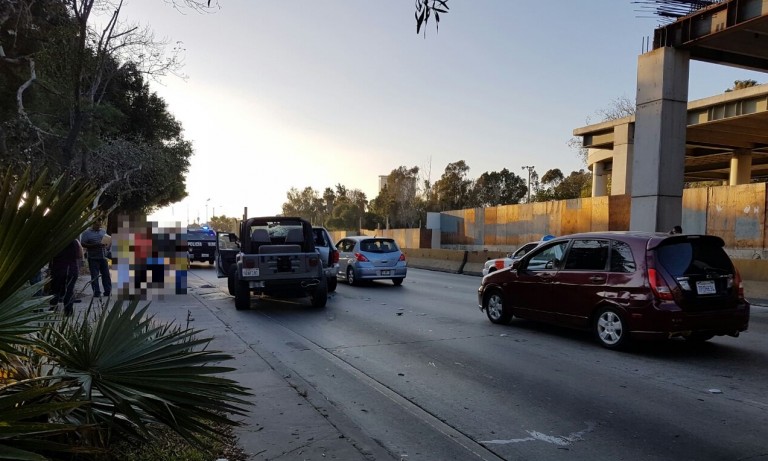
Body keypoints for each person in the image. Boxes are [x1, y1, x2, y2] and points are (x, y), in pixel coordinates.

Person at [49, 239, 83, 316]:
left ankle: (53, 308)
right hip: (72, 268)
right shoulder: (75, 241)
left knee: (55, 289)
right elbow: (80, 255)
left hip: (58, 268)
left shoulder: (56, 241)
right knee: (69, 290)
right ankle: (68, 311)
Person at [81, 219, 112, 298]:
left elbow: (107, 241)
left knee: (106, 275)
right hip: (93, 257)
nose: (99, 227)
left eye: (100, 225)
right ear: (93, 224)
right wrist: (94, 245)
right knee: (95, 276)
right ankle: (96, 292)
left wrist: (107, 244)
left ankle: (107, 291)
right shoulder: (86, 233)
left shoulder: (103, 231)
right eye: (97, 225)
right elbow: (83, 243)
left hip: (103, 257)